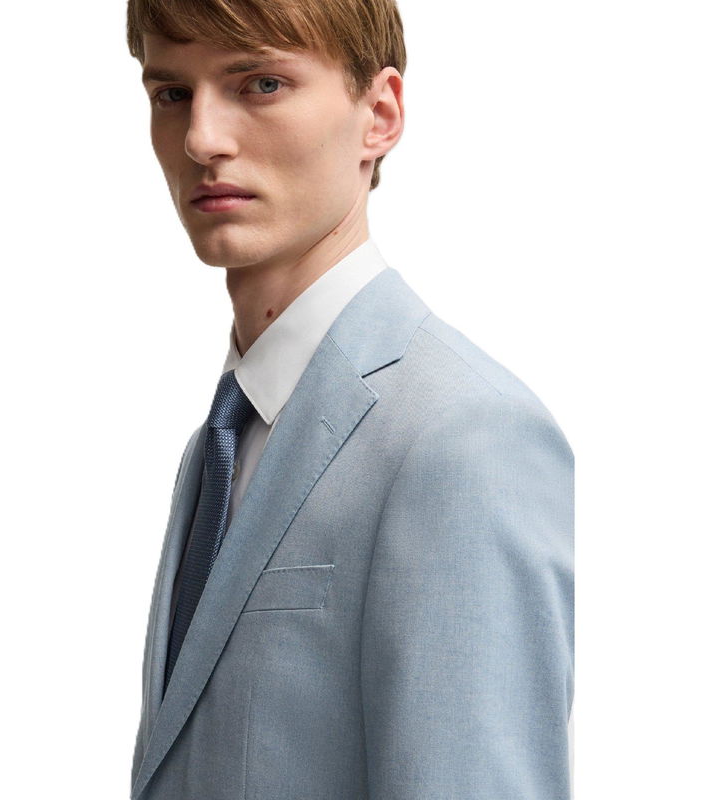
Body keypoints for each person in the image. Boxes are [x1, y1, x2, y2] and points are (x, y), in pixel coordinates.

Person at [126, 1, 574, 798]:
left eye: (260, 83)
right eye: (172, 94)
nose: (202, 138)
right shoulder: (221, 442)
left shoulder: (463, 437)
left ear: (380, 115)